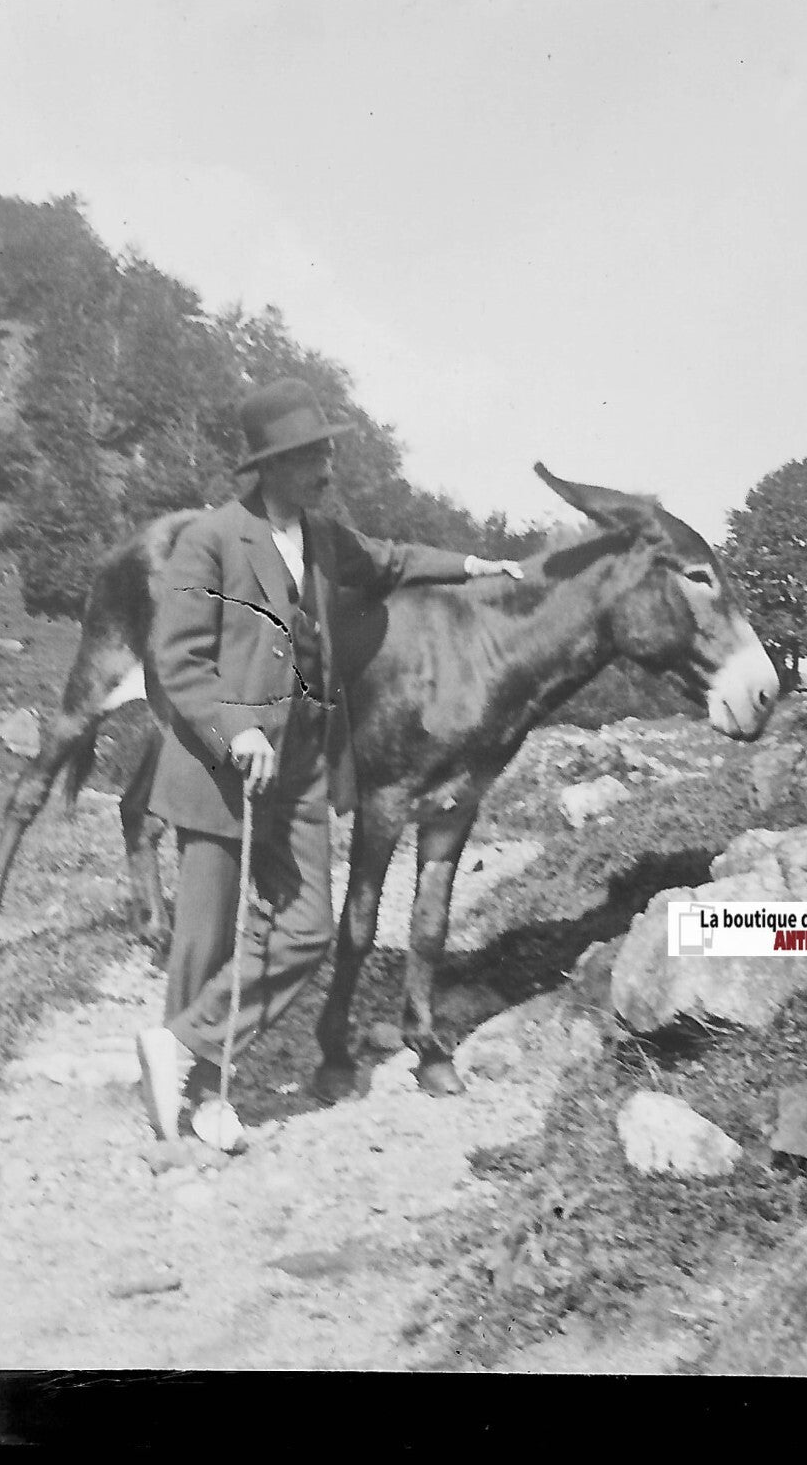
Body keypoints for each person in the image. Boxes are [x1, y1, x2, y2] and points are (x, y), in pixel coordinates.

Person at [136, 377, 523, 1150]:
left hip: (304, 762)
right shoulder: (211, 537)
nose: (326, 467)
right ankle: (199, 1098)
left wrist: (482, 564)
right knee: (208, 935)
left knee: (307, 928)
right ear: (269, 465)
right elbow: (175, 658)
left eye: (328, 451)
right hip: (221, 767)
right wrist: (234, 729)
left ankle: (181, 1048)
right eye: (311, 454)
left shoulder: (320, 535)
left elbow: (392, 559)